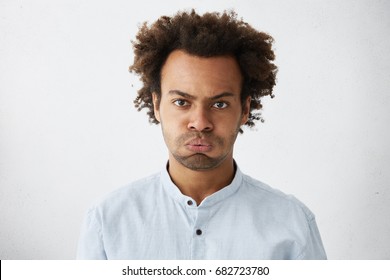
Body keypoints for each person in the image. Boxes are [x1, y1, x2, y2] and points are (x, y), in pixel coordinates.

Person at [77, 10, 327, 260]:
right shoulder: (107, 222)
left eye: (219, 104)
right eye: (182, 102)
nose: (200, 123)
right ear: (156, 105)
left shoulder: (293, 225)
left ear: (245, 110)